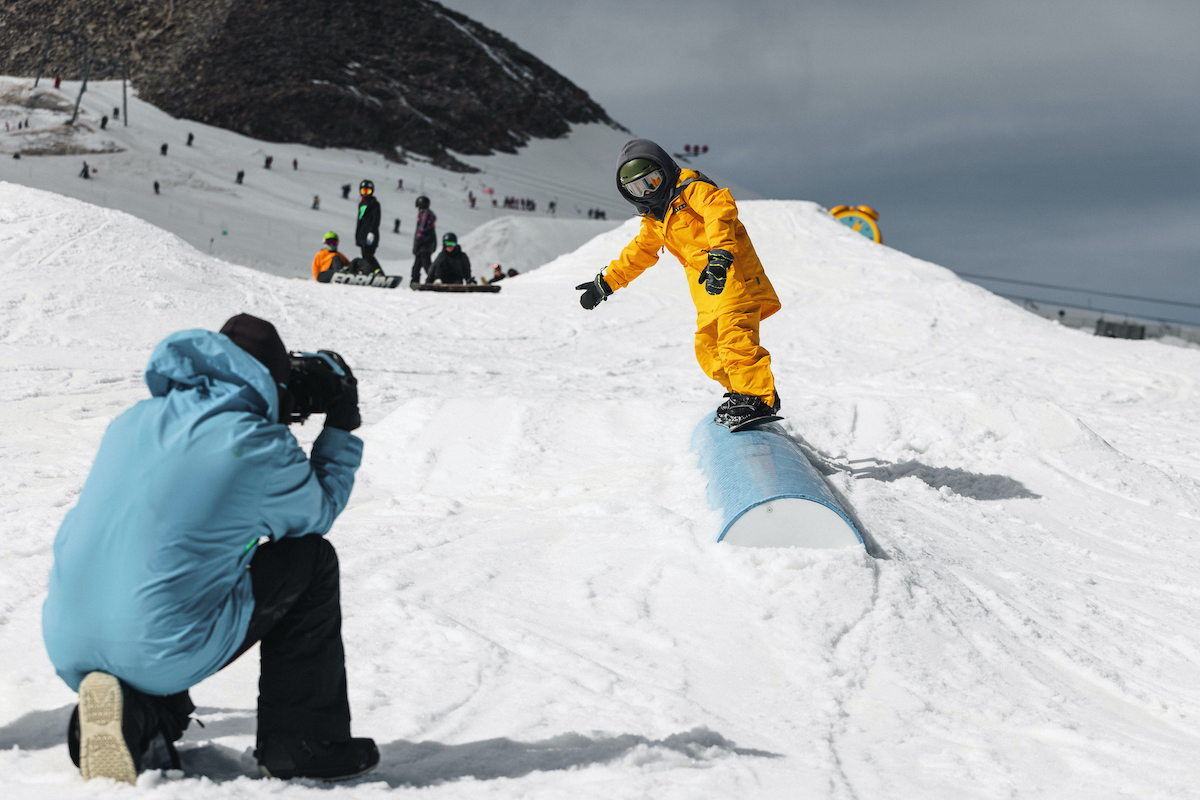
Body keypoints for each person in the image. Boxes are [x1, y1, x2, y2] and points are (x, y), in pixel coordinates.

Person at [42, 314, 377, 784]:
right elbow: (315, 514)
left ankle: (136, 719)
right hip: (160, 648)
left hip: (67, 640)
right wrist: (340, 425)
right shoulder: (258, 444)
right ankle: (302, 745)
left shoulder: (131, 420)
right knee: (310, 559)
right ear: (273, 382)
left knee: (171, 568)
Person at [577, 139, 782, 430]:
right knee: (709, 347)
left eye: (652, 181)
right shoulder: (656, 218)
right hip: (708, 291)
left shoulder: (692, 190)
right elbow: (640, 252)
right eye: (637, 188)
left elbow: (718, 212)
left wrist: (720, 253)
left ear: (665, 169)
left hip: (733, 275)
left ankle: (759, 396)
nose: (648, 191)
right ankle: (742, 393)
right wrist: (606, 283)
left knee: (735, 339)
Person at [355, 180, 382, 274]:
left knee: (368, 255)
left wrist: (372, 232)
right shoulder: (361, 204)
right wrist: (358, 235)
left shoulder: (374, 204)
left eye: (367, 191)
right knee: (365, 255)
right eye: (363, 191)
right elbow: (359, 221)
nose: (365, 194)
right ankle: (370, 272)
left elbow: (376, 220)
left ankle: (377, 272)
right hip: (362, 234)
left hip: (370, 235)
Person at [410, 195, 436, 287]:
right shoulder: (428, 214)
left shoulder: (424, 214)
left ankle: (435, 279)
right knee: (417, 266)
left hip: (423, 245)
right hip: (426, 244)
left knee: (426, 264)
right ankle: (415, 282)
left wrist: (416, 245)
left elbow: (420, 231)